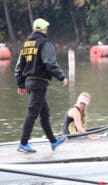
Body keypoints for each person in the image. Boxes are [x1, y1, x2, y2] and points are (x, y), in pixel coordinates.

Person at [15, 18, 68, 153]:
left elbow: (19, 66)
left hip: (29, 83)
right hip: (39, 82)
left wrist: (21, 84)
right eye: (46, 28)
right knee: (32, 112)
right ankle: (23, 143)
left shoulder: (27, 44)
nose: (47, 30)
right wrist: (61, 77)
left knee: (44, 112)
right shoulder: (45, 42)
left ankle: (53, 141)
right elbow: (49, 63)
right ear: (44, 29)